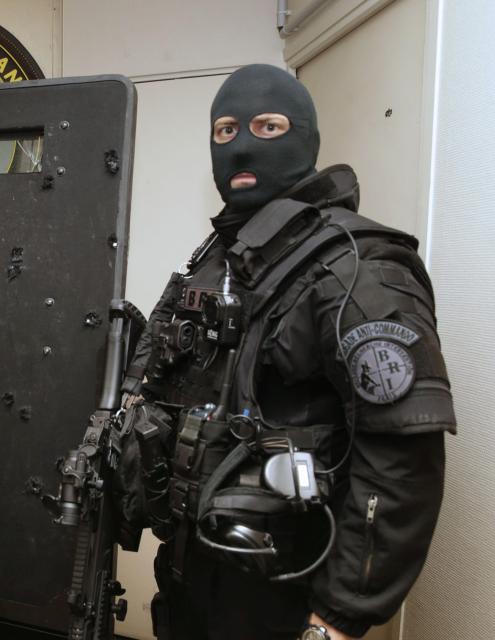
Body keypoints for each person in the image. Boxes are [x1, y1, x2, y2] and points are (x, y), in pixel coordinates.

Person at [119, 64, 455, 640]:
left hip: (284, 596)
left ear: (304, 136)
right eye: (224, 131)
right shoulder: (223, 256)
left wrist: (338, 620)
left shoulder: (356, 267)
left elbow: (402, 464)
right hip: (194, 574)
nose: (242, 145)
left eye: (267, 126)